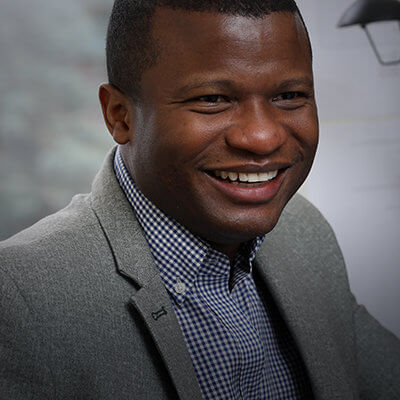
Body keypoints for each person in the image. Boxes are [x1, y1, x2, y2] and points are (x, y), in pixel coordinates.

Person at [1, 0, 399, 399]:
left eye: (290, 95)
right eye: (212, 99)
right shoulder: (19, 301)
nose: (263, 137)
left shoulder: (305, 232)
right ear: (120, 116)